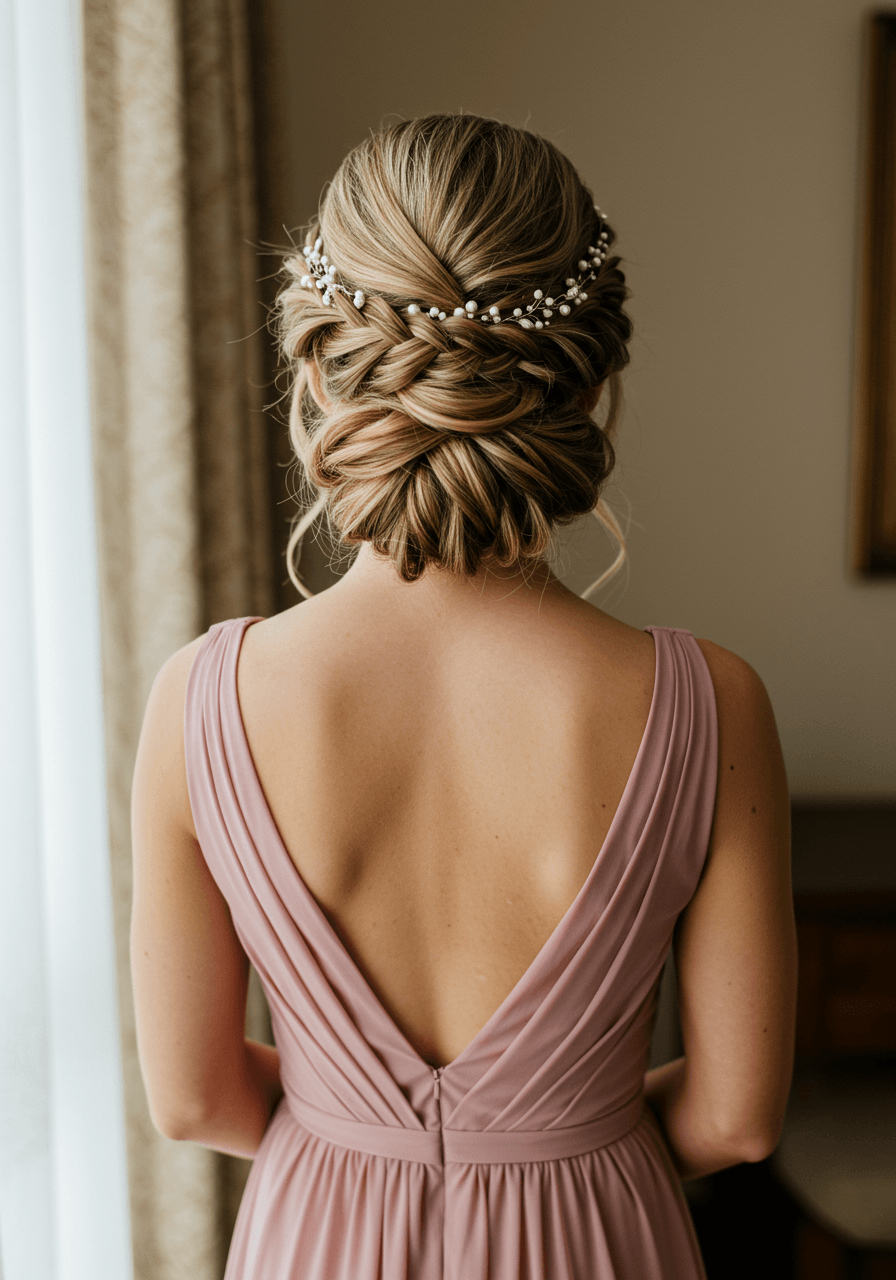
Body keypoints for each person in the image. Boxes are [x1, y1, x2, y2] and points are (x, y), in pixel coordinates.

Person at [130, 114, 797, 1279]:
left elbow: (192, 1097)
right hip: (595, 1235)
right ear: (589, 386)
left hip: (318, 1235)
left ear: (314, 369)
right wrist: (560, 1141)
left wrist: (358, 1130)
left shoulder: (200, 698)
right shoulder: (711, 700)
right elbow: (735, 1118)